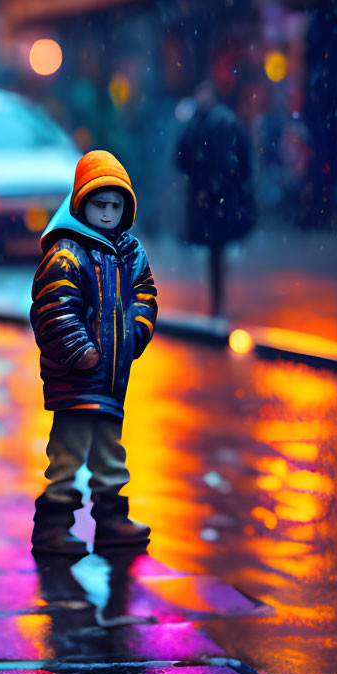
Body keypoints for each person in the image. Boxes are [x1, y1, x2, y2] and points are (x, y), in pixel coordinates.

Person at [30, 151, 157, 556]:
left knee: (109, 454)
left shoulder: (129, 253)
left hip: (111, 380)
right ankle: (52, 527)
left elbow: (145, 296)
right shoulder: (68, 254)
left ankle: (112, 521)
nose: (107, 212)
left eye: (115, 205)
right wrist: (80, 352)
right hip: (77, 381)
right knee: (66, 455)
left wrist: (136, 333)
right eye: (99, 204)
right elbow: (53, 308)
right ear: (82, 202)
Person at [175, 81, 255, 316]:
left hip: (216, 198)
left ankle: (218, 302)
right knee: (216, 249)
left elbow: (185, 158)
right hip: (216, 198)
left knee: (216, 249)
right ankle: (217, 301)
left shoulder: (211, 123)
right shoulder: (211, 122)